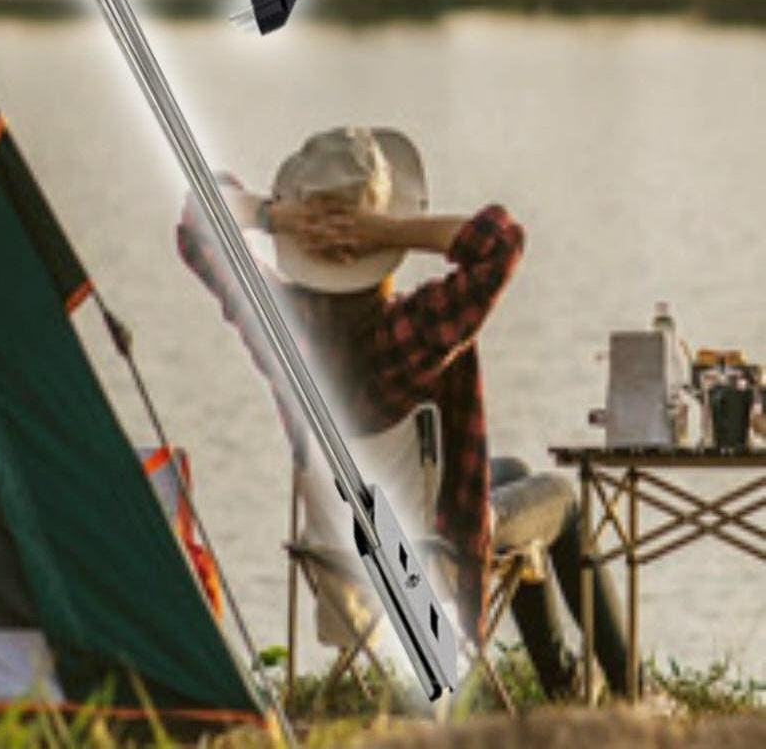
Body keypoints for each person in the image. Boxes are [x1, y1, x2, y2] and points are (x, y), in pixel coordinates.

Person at [176, 126, 627, 699]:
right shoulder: (413, 330)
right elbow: (501, 242)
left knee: (507, 471)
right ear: (377, 247)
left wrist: (278, 217)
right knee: (560, 498)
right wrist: (389, 230)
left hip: (335, 550)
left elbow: (196, 222)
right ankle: (616, 689)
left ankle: (566, 680)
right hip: (428, 554)